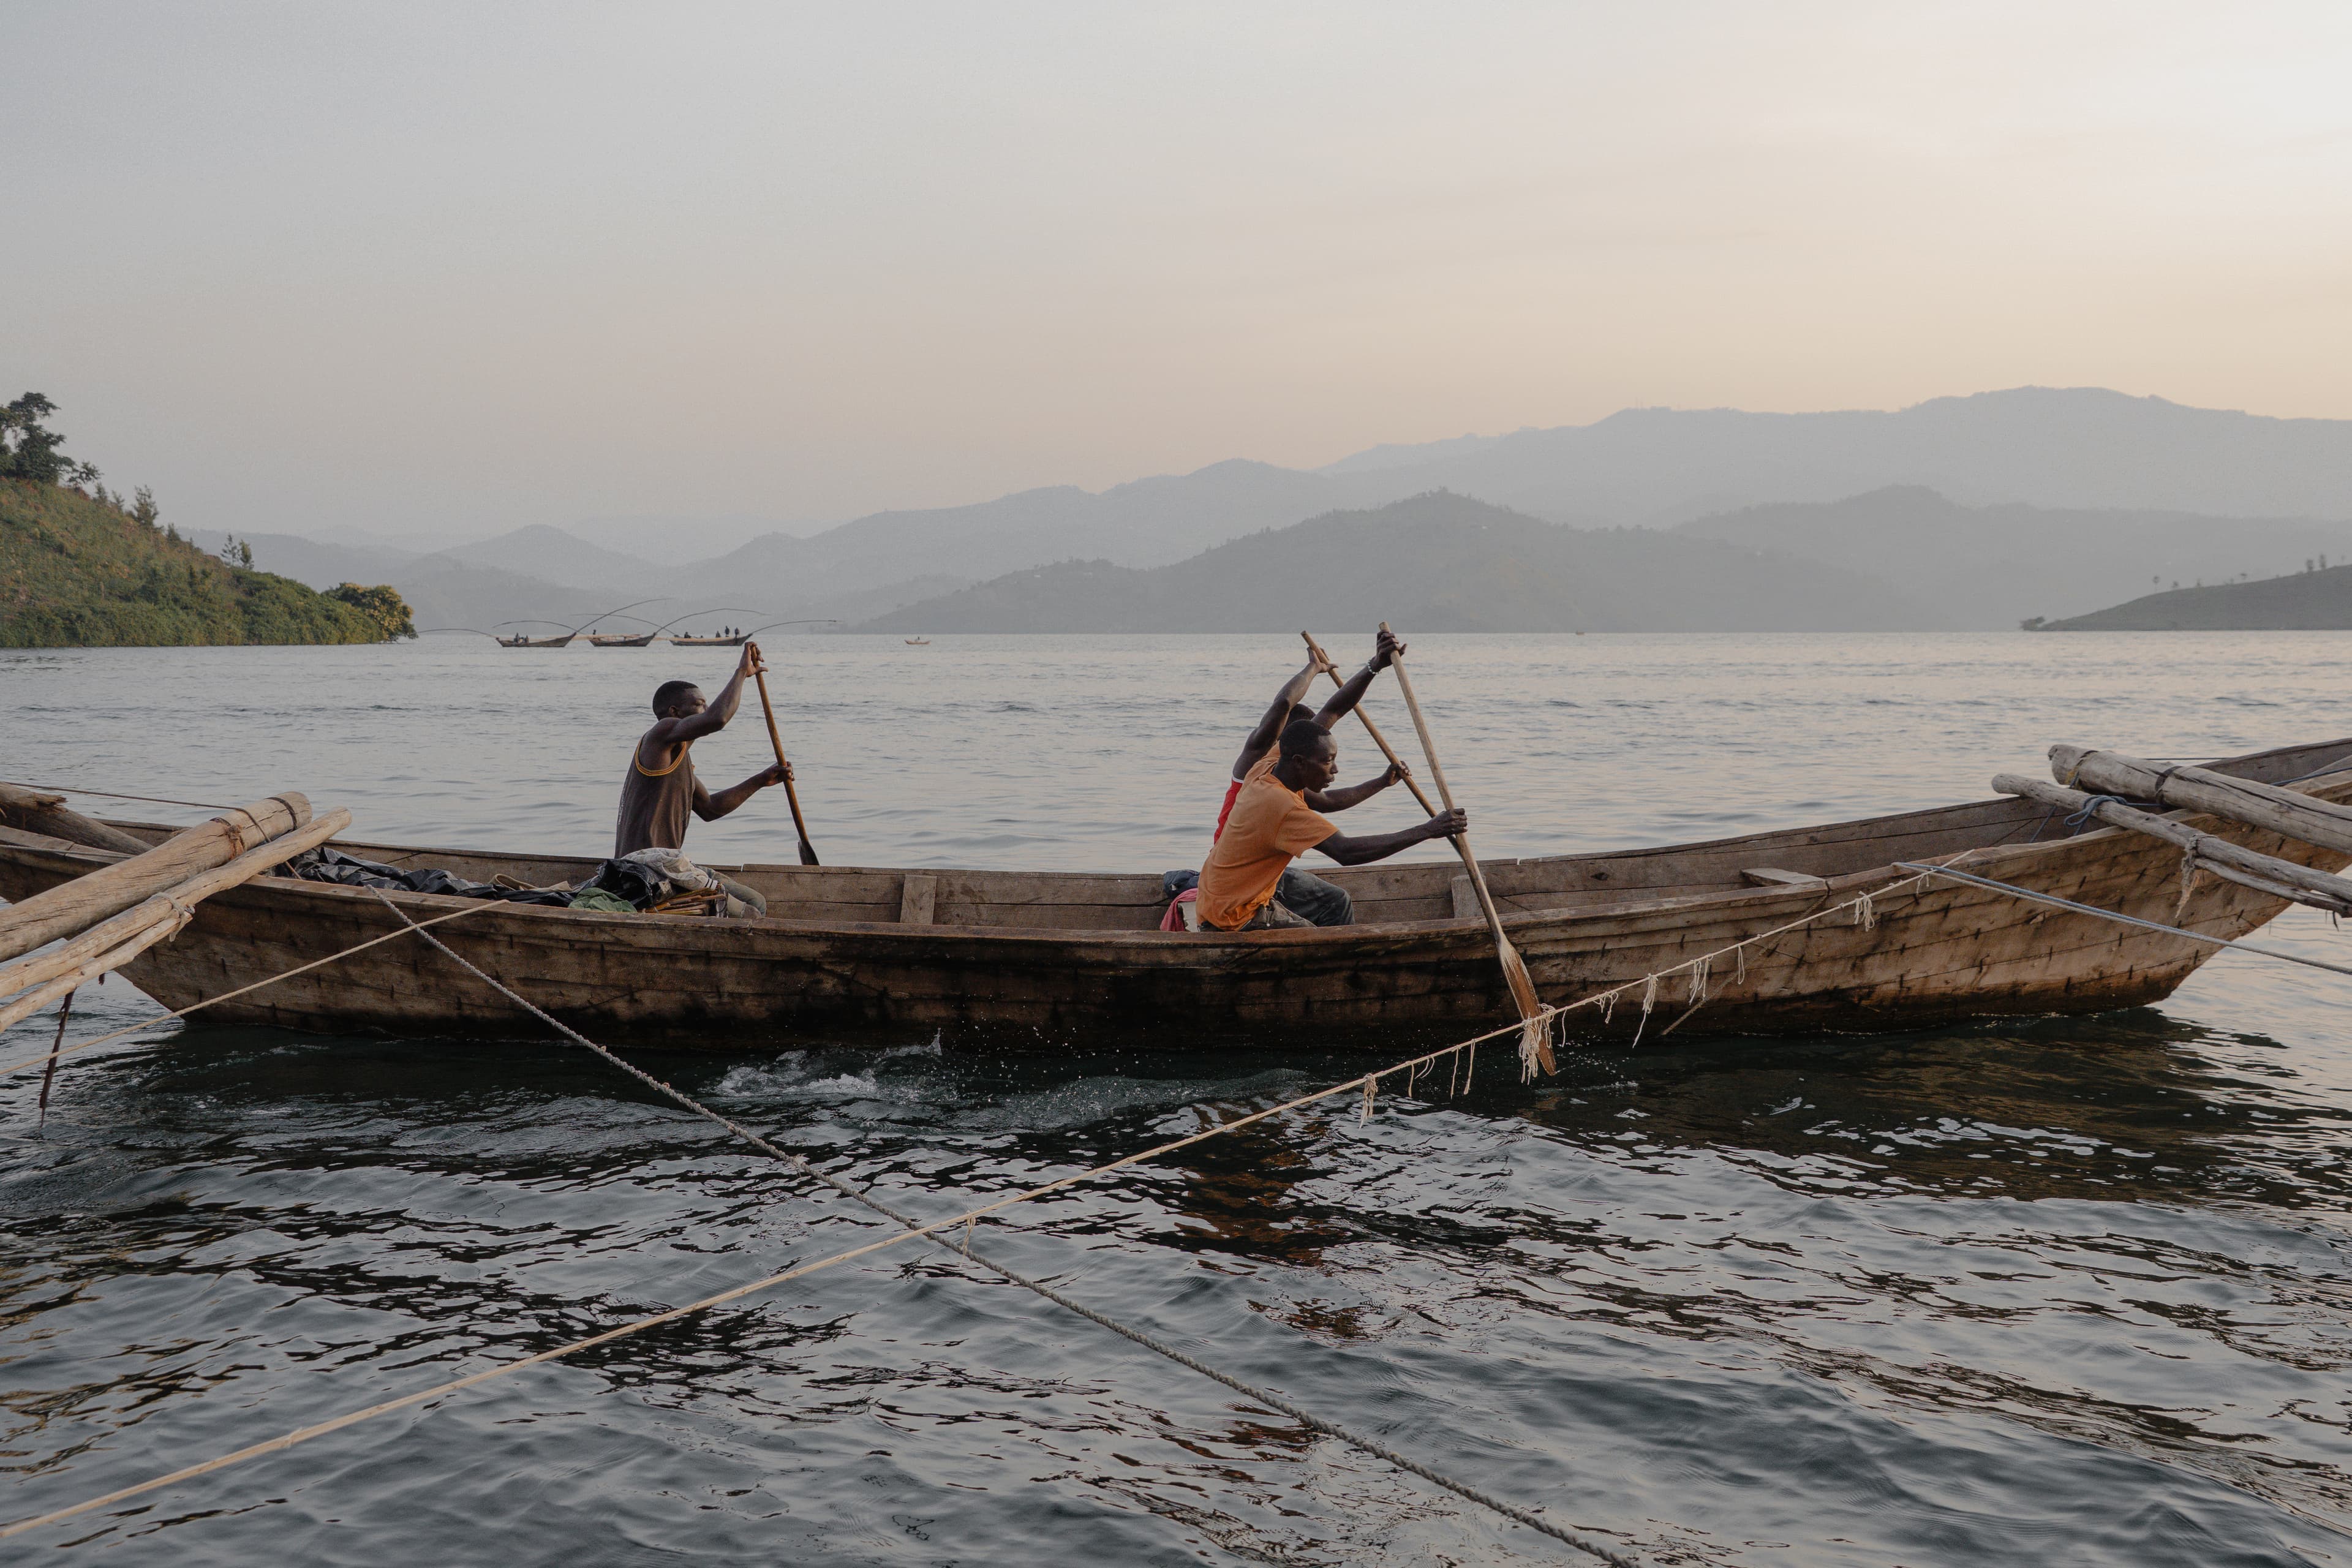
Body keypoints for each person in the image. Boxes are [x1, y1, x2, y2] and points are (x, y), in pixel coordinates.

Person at [1194, 632, 1461, 930]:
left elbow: (1333, 711)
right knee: (1314, 940)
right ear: (1297, 760)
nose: (1334, 770)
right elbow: (1346, 852)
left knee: (1336, 901)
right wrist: (1428, 830)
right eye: (1327, 761)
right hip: (1232, 914)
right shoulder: (1281, 803)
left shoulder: (1268, 767)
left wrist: (1375, 665)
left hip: (1231, 885)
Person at [614, 644, 791, 914]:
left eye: (706, 704)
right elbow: (718, 719)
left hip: (669, 867)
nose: (706, 709)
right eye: (699, 705)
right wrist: (742, 673)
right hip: (646, 870)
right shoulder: (660, 734)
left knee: (755, 901)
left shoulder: (680, 759)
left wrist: (761, 780)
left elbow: (710, 808)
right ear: (674, 712)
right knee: (751, 911)